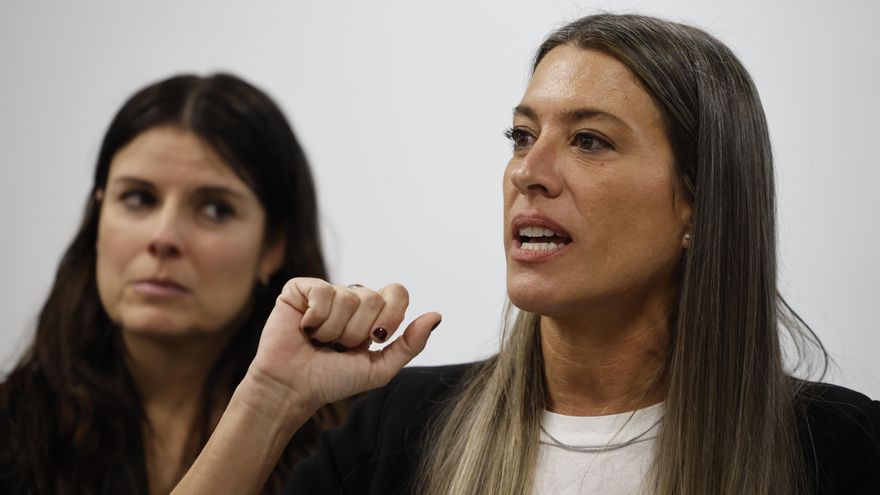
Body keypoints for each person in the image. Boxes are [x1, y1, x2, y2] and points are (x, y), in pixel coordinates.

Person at [172, 14, 880, 495]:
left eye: (589, 140)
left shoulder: (839, 450)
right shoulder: (401, 431)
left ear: (699, 202)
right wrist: (269, 401)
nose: (528, 171)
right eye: (521, 135)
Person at [0, 73, 345, 494]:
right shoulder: (14, 427)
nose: (163, 238)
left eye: (215, 209)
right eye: (139, 199)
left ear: (272, 245)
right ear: (99, 216)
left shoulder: (352, 442)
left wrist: (272, 404)